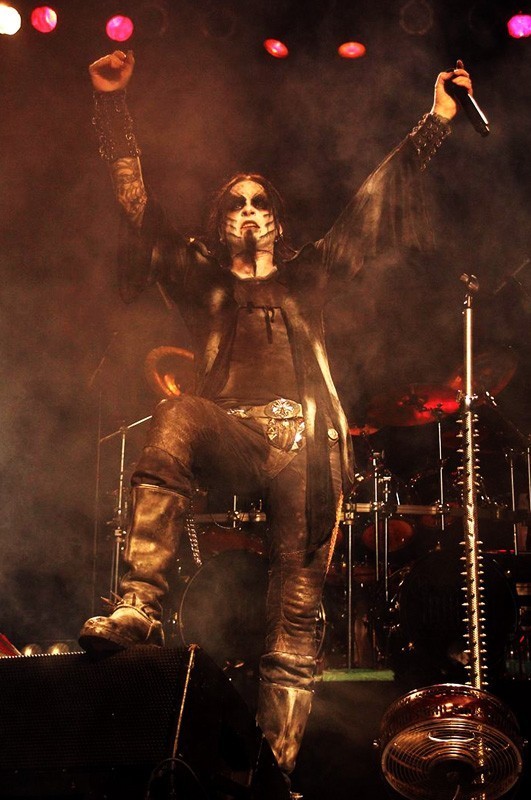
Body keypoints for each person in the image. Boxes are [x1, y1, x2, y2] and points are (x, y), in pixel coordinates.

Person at [78, 50, 473, 781]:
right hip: (234, 431)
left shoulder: (308, 273)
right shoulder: (199, 275)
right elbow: (139, 209)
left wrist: (436, 121)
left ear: (276, 222)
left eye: (260, 203)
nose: (249, 211)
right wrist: (111, 107)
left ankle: (273, 773)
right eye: (236, 204)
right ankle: (139, 603)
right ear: (221, 223)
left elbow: (374, 204)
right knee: (176, 416)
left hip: (308, 446)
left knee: (294, 617)